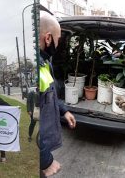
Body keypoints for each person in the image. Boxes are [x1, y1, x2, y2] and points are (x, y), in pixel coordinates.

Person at [39, 11, 76, 177]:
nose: (59, 43)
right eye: (58, 39)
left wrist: (63, 110)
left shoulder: (45, 62)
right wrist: (45, 160)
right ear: (48, 38)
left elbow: (51, 92)